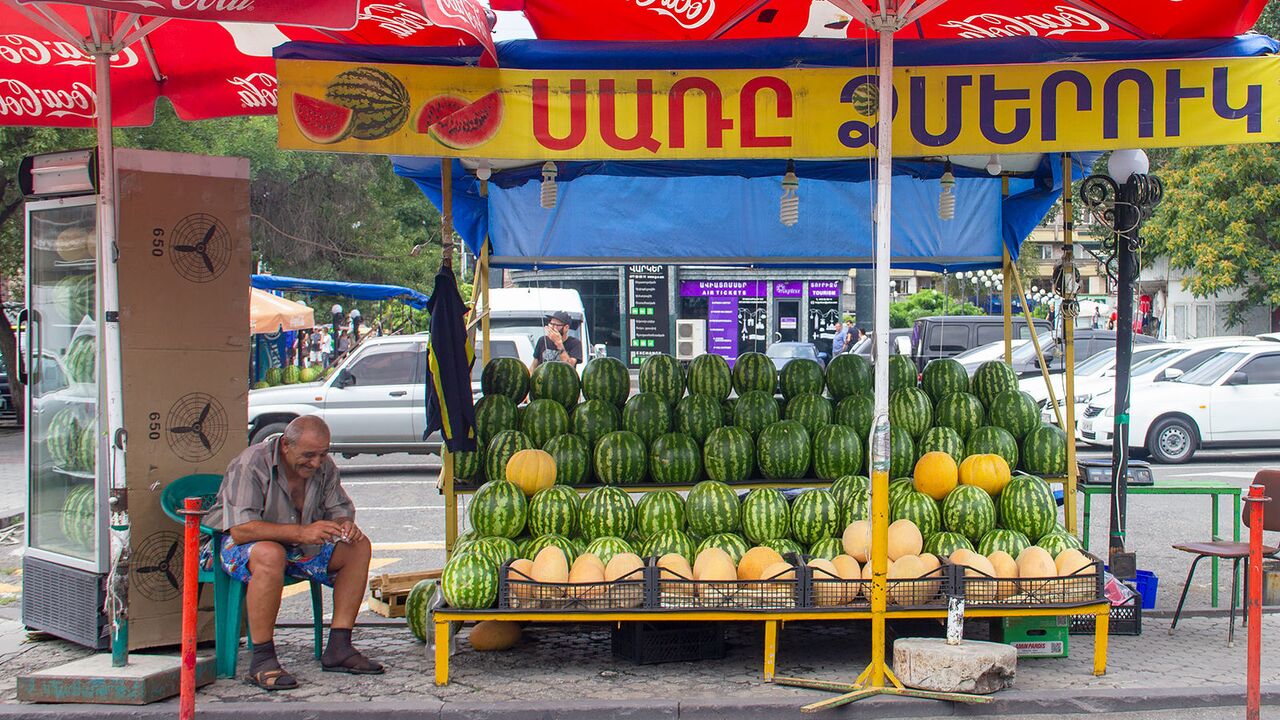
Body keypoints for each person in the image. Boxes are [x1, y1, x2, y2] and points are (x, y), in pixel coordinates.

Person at [204, 416, 381, 690]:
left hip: (299, 549)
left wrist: (345, 525)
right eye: (309, 455)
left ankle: (339, 647)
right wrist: (300, 532)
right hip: (240, 548)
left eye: (323, 454)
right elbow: (241, 530)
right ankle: (262, 659)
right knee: (270, 553)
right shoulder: (251, 463)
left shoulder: (324, 467)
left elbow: (340, 508)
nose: (316, 463)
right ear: (285, 445)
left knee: (358, 547)